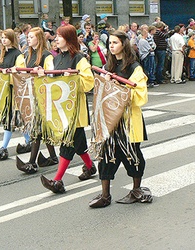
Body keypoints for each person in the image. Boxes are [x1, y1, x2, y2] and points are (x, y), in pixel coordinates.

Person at [88, 30, 151, 208]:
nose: (112, 46)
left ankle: (136, 189)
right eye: (110, 43)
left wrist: (118, 85)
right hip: (111, 120)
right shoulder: (109, 65)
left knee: (132, 154)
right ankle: (105, 195)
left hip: (128, 120)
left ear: (124, 44)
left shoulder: (134, 67)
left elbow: (141, 95)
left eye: (115, 42)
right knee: (107, 155)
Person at [40, 25, 96, 193]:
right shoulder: (56, 59)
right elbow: (54, 80)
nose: (56, 39)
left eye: (59, 36)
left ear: (69, 39)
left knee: (67, 142)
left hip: (75, 110)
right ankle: (90, 167)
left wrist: (72, 77)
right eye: (56, 36)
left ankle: (57, 180)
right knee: (78, 143)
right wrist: (44, 74)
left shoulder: (79, 58)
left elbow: (88, 82)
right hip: (62, 109)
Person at [16, 27, 58, 174]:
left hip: (43, 96)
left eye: (32, 37)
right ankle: (53, 157)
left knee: (37, 129)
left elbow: (52, 75)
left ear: (39, 39)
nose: (28, 39)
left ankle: (32, 162)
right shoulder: (28, 55)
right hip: (33, 95)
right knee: (41, 128)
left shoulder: (47, 56)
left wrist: (41, 74)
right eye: (28, 37)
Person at [0, 28, 29, 160]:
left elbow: (21, 74)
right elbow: (2, 69)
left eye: (6, 37)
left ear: (11, 39)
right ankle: (27, 143)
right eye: (2, 38)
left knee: (15, 118)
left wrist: (9, 74)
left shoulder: (18, 54)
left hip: (15, 90)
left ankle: (5, 148)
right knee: (12, 119)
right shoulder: (3, 53)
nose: (3, 40)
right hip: (6, 91)